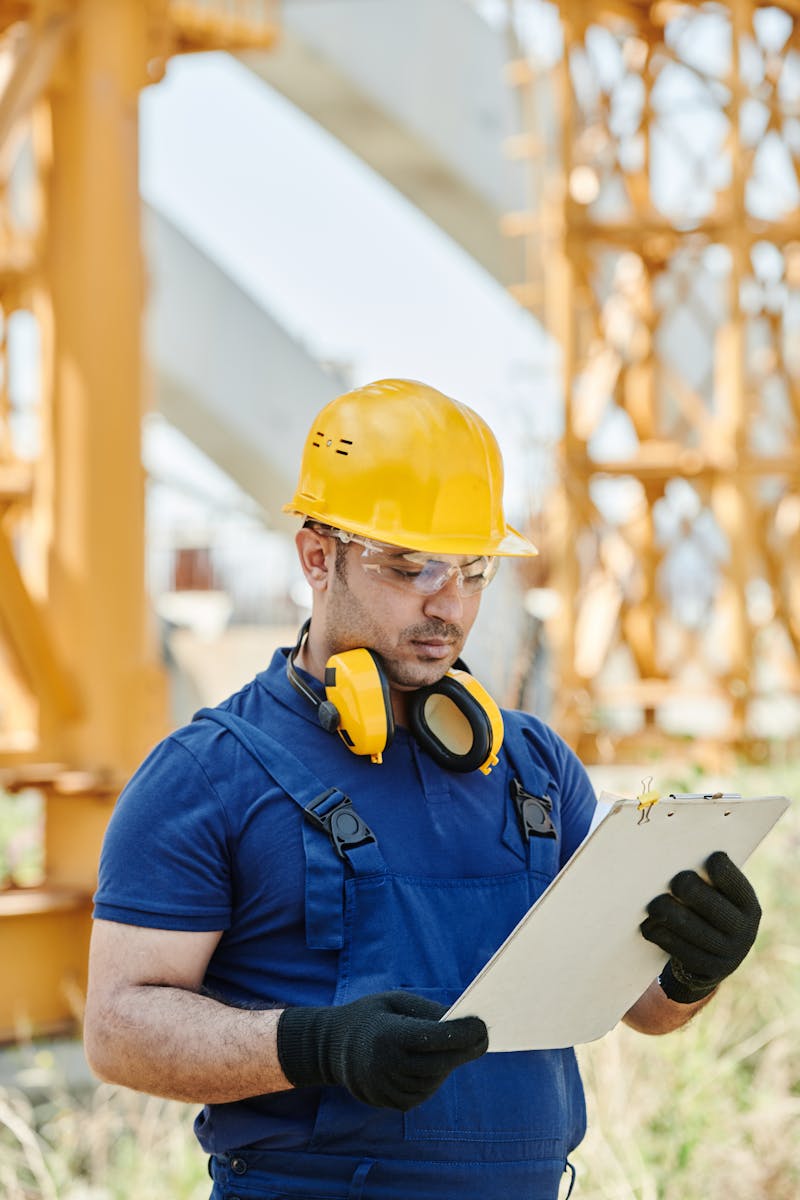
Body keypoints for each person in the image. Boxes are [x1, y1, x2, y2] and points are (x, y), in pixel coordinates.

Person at [84, 379, 762, 1200]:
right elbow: (118, 1031)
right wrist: (317, 1047)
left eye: (474, 573)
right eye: (411, 569)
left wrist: (696, 969)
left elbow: (646, 1013)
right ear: (315, 556)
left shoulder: (532, 766)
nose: (449, 605)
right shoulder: (207, 774)